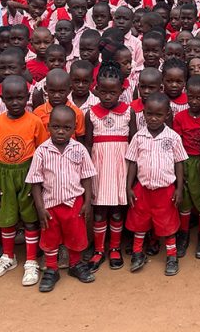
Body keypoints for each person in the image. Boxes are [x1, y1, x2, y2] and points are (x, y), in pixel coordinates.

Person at [0, 76, 48, 285]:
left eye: (20, 98)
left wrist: (39, 181)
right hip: (3, 175)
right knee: (6, 217)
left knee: (30, 218)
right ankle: (8, 256)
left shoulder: (35, 121)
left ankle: (31, 261)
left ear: (27, 97)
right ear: (2, 99)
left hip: (28, 174)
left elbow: (42, 151)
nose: (15, 102)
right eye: (9, 99)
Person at [27, 105, 96, 292]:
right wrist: (40, 208)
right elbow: (35, 182)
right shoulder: (42, 151)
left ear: (74, 128)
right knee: (50, 237)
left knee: (75, 234)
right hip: (50, 204)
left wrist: (87, 202)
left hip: (74, 203)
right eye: (56, 127)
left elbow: (87, 176)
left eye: (66, 128)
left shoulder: (79, 149)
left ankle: (75, 264)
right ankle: (51, 269)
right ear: (48, 126)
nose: (60, 131)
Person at [124, 93, 187, 276]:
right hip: (142, 189)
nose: (153, 118)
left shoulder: (173, 137)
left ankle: (172, 256)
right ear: (143, 113)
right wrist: (129, 187)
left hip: (165, 190)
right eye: (149, 114)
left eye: (158, 115)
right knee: (139, 222)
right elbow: (133, 162)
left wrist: (179, 188)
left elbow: (179, 162)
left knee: (168, 224)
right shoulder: (139, 137)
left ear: (167, 115)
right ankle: (137, 253)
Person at [86, 62, 135, 271]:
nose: (107, 96)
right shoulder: (91, 113)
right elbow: (88, 145)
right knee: (99, 211)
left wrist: (133, 172)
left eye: (112, 92)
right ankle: (99, 250)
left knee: (116, 210)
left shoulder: (128, 112)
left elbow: (134, 143)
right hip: (99, 168)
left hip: (120, 167)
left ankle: (115, 247)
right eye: (103, 92)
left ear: (121, 91)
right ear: (96, 89)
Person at [173, 75, 200, 259]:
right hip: (184, 161)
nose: (195, 101)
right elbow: (177, 144)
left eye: (199, 97)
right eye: (191, 97)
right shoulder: (180, 117)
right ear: (186, 93)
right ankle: (184, 233)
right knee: (185, 198)